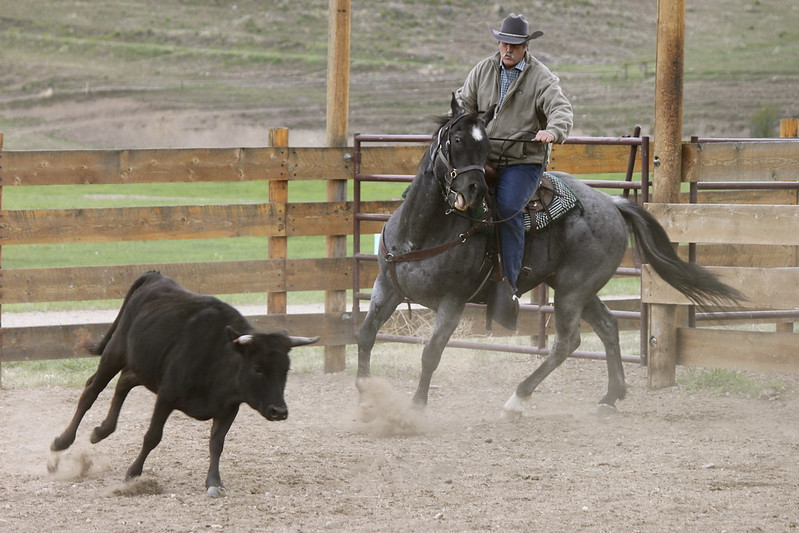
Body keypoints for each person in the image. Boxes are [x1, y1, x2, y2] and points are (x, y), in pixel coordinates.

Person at [455, 12, 573, 329]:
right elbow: (464, 104)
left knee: (507, 208)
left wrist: (554, 130)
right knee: (454, 194)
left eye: (515, 45)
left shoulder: (541, 77)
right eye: (504, 43)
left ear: (525, 47)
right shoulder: (482, 70)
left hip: (524, 160)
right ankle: (452, 273)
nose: (508, 49)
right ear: (498, 42)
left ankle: (508, 286)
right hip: (486, 158)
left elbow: (560, 108)